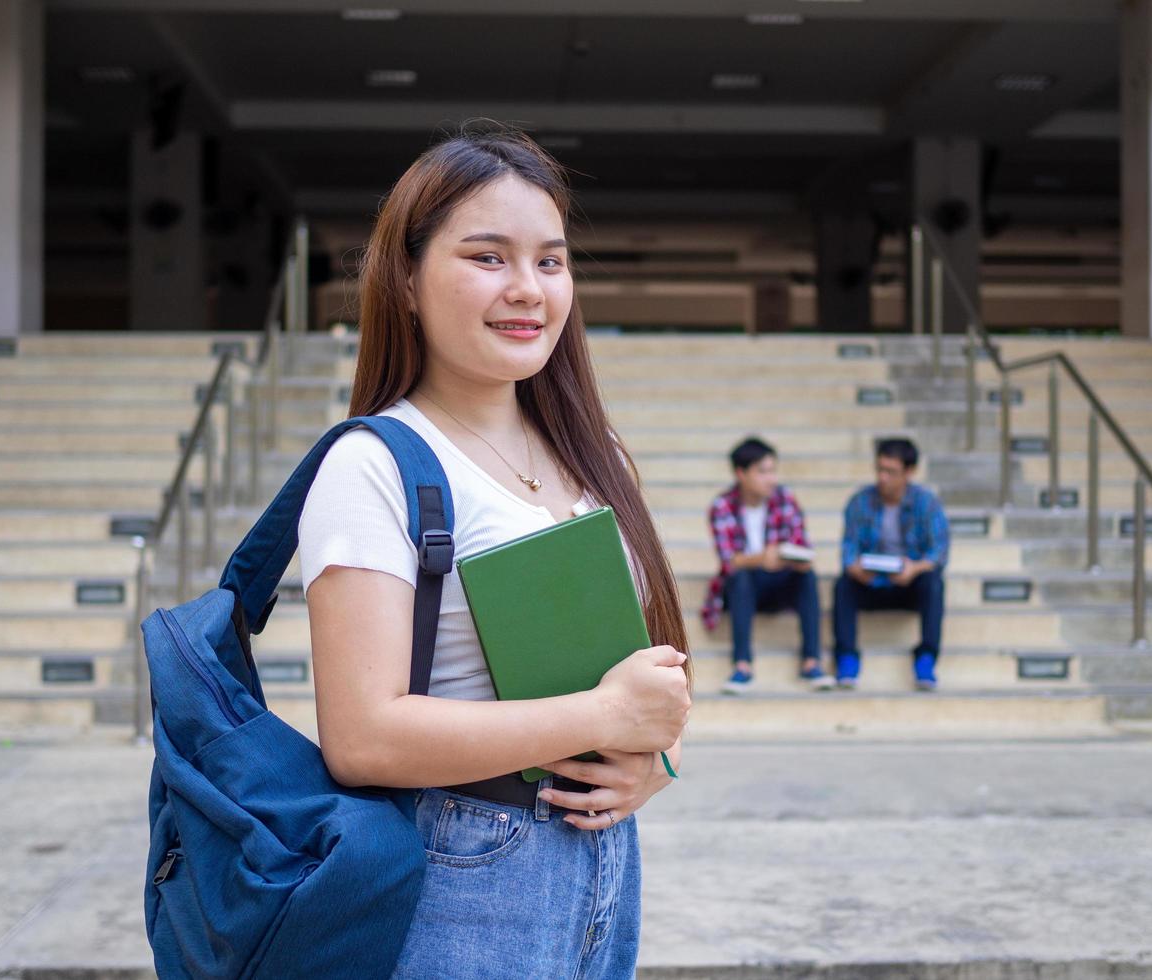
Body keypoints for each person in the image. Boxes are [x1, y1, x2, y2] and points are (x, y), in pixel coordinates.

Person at [298, 124, 691, 978]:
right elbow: (361, 737)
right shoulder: (373, 465)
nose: (528, 290)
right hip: (461, 868)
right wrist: (601, 719)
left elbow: (634, 668)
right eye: (488, 258)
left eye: (550, 262)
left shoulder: (595, 457)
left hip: (602, 863)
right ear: (404, 278)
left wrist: (650, 760)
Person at [702, 437, 829, 694]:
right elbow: (728, 561)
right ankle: (742, 665)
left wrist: (797, 560)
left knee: (808, 577)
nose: (771, 479)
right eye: (763, 472)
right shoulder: (722, 505)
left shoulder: (784, 499)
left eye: (773, 470)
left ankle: (812, 661)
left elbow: (800, 542)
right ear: (741, 473)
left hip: (780, 579)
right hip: (742, 587)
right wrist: (761, 558)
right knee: (740, 578)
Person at [832, 438, 950, 691]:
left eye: (891, 472)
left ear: (909, 472)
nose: (883, 478)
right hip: (871, 582)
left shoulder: (926, 503)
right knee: (843, 585)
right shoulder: (860, 501)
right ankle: (847, 657)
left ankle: (926, 658)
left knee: (933, 583)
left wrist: (915, 568)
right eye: (880, 470)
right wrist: (855, 568)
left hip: (909, 584)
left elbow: (939, 552)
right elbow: (848, 548)